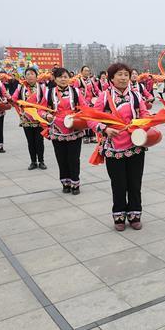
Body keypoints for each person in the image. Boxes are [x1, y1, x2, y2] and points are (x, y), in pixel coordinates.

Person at [93, 63, 150, 230]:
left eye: (126, 74)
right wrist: (105, 129)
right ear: (111, 78)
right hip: (113, 147)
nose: (124, 78)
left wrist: (143, 127)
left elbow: (145, 114)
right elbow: (91, 118)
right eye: (120, 74)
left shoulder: (136, 95)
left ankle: (134, 215)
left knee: (135, 183)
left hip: (135, 146)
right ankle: (119, 216)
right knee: (118, 184)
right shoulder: (104, 96)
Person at [43, 67, 87, 193]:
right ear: (55, 79)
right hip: (57, 130)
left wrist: (79, 116)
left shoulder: (76, 91)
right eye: (60, 77)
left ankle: (75, 183)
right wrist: (46, 115)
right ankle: (65, 182)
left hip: (74, 128)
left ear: (69, 78)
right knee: (61, 158)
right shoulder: (49, 93)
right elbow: (40, 109)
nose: (63, 79)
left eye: (65, 77)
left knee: (74, 158)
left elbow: (84, 107)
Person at [12, 67, 48, 171]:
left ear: (36, 76)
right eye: (28, 74)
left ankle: (41, 161)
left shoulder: (42, 87)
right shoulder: (21, 87)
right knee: (30, 141)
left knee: (39, 141)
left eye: (32, 74)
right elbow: (14, 98)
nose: (30, 76)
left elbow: (46, 101)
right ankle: (33, 161)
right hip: (26, 118)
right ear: (25, 77)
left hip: (39, 117)